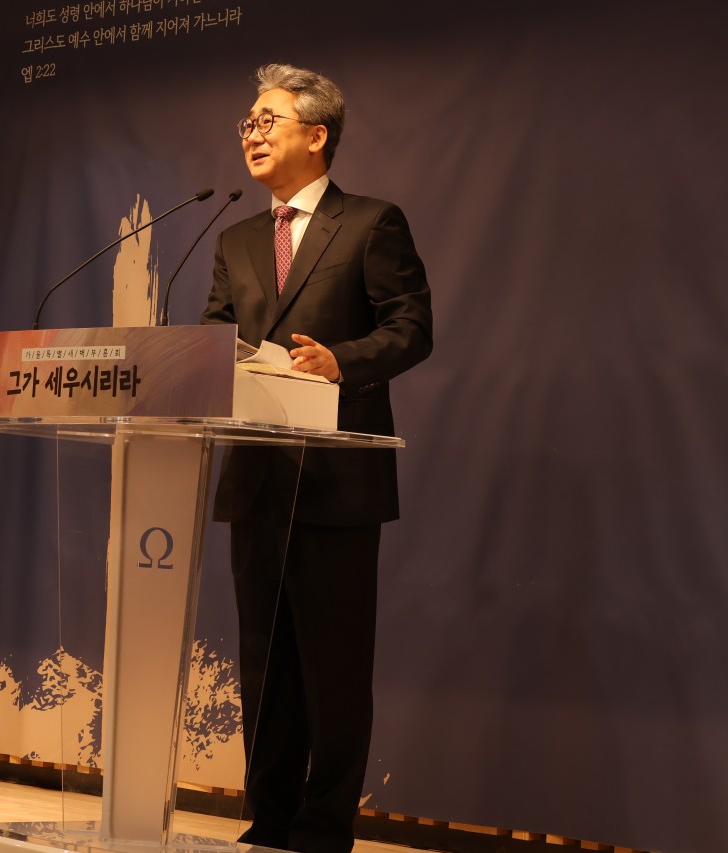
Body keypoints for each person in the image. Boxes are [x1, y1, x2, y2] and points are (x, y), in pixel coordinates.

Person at [201, 64, 434, 853]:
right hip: (256, 478)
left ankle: (322, 830)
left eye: (267, 120)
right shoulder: (234, 238)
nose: (252, 133)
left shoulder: (370, 223)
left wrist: (342, 361)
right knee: (264, 670)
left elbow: (411, 328)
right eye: (247, 122)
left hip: (336, 478)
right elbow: (213, 336)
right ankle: (268, 822)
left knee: (332, 669)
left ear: (316, 133)